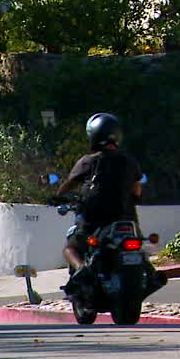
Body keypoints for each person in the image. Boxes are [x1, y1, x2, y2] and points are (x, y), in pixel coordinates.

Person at [54, 112, 143, 294]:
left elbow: (70, 183)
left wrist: (57, 196)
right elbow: (137, 190)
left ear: (93, 135)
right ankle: (148, 272)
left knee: (71, 248)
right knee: (140, 246)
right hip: (127, 220)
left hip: (95, 221)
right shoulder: (130, 161)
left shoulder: (89, 161)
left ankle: (82, 270)